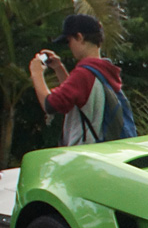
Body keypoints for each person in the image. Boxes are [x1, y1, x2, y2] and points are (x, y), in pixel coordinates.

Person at [28, 14, 124, 146]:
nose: (69, 46)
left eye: (69, 41)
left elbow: (49, 105)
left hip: (84, 154)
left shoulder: (84, 74)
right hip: (102, 151)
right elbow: (79, 99)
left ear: (79, 37)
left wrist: (36, 73)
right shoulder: (104, 71)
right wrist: (59, 68)